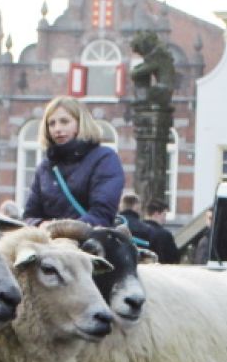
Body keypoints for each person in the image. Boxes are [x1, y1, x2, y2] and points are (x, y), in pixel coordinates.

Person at [22, 96, 123, 227]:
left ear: (80, 124)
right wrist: (40, 224)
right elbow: (29, 216)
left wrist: (63, 229)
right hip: (47, 240)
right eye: (51, 123)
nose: (57, 128)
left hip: (88, 241)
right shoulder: (45, 167)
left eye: (64, 122)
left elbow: (101, 215)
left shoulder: (104, 158)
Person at [142, 199, 181, 264]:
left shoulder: (137, 230)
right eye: (164, 214)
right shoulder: (165, 234)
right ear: (156, 214)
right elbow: (174, 258)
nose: (165, 219)